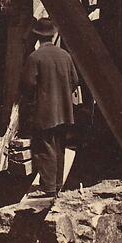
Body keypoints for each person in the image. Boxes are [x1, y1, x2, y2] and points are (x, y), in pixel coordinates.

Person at [21, 17, 79, 198]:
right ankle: (57, 184)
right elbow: (75, 81)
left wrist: (32, 102)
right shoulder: (65, 56)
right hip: (64, 111)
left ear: (37, 36)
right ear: (53, 35)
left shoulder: (35, 57)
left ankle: (48, 188)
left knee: (43, 148)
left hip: (44, 112)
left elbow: (28, 85)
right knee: (59, 145)